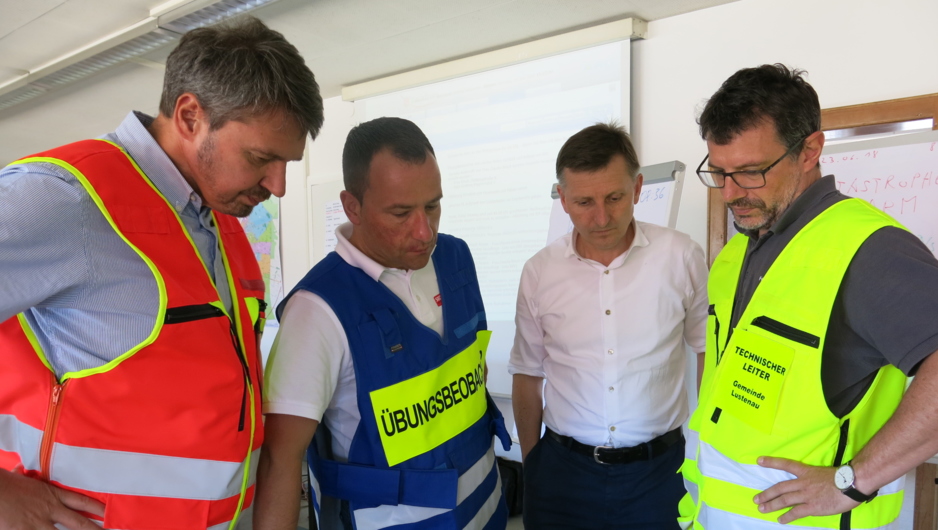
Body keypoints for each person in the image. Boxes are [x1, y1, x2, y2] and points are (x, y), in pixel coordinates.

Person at [0, 17, 322, 530]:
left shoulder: (217, 219)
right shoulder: (65, 200)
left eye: (286, 163)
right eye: (262, 159)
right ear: (191, 115)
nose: (278, 185)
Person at [680, 64, 938, 529]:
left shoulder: (869, 249)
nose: (730, 193)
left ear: (810, 151)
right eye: (718, 172)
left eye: (751, 171)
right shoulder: (737, 251)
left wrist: (853, 480)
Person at [254, 117, 511, 530]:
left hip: (486, 511)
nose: (424, 231)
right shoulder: (317, 310)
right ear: (352, 206)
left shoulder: (455, 259)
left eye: (433, 205)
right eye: (401, 213)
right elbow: (279, 463)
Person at [509, 122, 709, 529]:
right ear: (562, 199)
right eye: (584, 201)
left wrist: (704, 451)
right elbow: (527, 375)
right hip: (563, 474)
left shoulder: (681, 256)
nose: (601, 217)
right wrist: (534, 467)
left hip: (659, 474)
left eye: (615, 197)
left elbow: (709, 353)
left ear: (637, 189)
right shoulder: (539, 272)